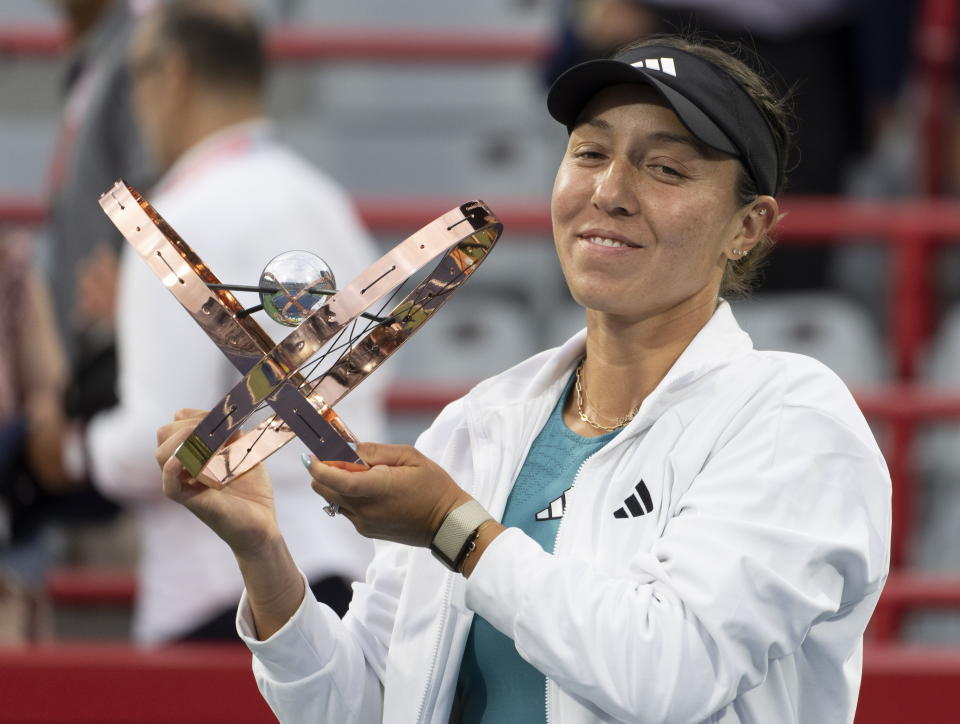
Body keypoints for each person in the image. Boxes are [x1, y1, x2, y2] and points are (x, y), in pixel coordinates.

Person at [157, 36, 891, 721]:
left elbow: (669, 673)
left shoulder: (794, 422)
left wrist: (455, 527)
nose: (610, 190)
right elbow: (361, 704)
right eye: (589, 153)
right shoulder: (479, 424)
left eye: (666, 168)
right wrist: (261, 550)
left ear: (748, 227)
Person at [81, 0, 386, 645]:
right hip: (350, 567)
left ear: (173, 74)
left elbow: (160, 440)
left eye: (135, 77)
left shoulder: (170, 225)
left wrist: (73, 451)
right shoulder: (327, 205)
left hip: (227, 589)